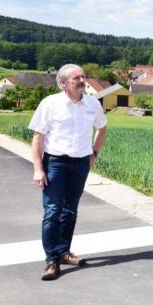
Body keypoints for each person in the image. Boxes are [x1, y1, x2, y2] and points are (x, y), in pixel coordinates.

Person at [29, 64, 108, 281]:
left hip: (81, 163)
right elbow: (38, 137)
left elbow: (102, 128)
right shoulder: (50, 104)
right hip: (55, 162)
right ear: (63, 83)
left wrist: (94, 154)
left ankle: (64, 252)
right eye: (77, 78)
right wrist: (38, 168)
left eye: (83, 77)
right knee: (53, 211)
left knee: (70, 211)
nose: (82, 81)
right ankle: (51, 260)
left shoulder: (92, 104)